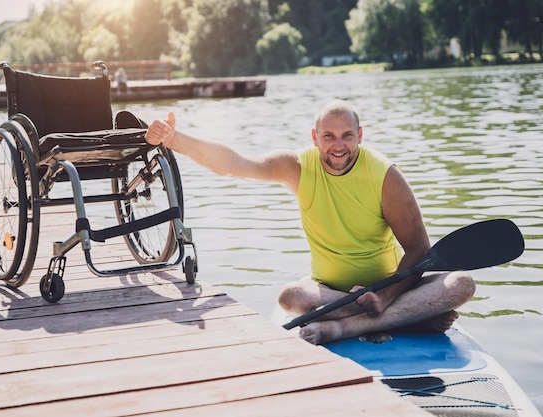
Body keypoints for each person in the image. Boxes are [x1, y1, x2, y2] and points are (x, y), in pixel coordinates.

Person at [144, 100, 476, 345]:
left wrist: (385, 296)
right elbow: (234, 163)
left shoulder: (385, 176)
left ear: (360, 135)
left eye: (347, 135)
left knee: (462, 284)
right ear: (315, 137)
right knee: (291, 297)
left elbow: (418, 248)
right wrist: (175, 139)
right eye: (329, 136)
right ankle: (409, 319)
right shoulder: (297, 167)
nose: (339, 146)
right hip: (331, 295)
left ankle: (349, 327)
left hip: (390, 289)